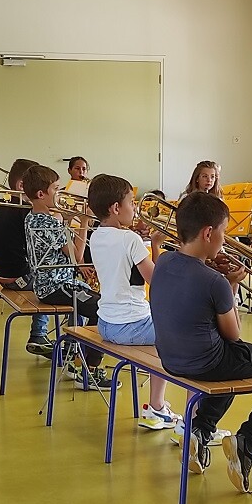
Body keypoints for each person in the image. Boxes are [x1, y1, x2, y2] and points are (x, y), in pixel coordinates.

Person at [149, 192, 252, 494]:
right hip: (206, 363)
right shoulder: (214, 281)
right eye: (223, 231)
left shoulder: (163, 261)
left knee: (233, 364)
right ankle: (248, 442)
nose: (225, 239)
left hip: (171, 358)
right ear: (208, 233)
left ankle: (200, 431)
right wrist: (230, 284)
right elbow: (233, 334)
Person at [86, 174, 182, 430]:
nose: (136, 208)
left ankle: (156, 405)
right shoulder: (130, 239)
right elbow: (156, 281)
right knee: (177, 333)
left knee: (161, 330)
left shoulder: (97, 236)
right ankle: (157, 407)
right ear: (116, 208)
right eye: (131, 202)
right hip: (130, 325)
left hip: (106, 323)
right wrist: (157, 246)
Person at [24, 165, 111, 389]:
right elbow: (78, 256)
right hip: (57, 285)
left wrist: (65, 220)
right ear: (41, 194)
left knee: (93, 300)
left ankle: (74, 354)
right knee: (103, 309)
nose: (60, 193)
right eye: (56, 189)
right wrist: (84, 222)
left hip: (51, 284)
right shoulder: (49, 223)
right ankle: (89, 370)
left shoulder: (32, 218)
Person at [0, 158, 52, 358]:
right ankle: (39, 335)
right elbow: (42, 251)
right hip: (18, 278)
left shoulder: (2, 204)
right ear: (22, 185)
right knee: (55, 280)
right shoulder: (25, 212)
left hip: (3, 275)